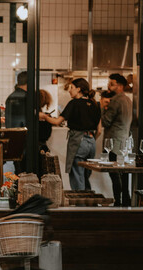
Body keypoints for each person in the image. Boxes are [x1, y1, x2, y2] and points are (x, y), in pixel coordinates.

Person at [43, 78, 101, 190]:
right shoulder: (95, 104)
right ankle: (88, 205)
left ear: (78, 89)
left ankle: (80, 206)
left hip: (78, 141)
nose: (70, 91)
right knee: (85, 176)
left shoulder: (74, 103)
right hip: (91, 142)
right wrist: (90, 139)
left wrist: (44, 116)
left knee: (77, 175)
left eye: (72, 88)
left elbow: (57, 121)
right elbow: (99, 130)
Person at [102, 73, 133, 206]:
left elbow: (105, 122)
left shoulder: (115, 100)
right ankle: (126, 200)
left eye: (112, 84)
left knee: (114, 173)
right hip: (125, 142)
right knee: (124, 173)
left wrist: (103, 107)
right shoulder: (127, 100)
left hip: (114, 142)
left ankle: (118, 202)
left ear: (120, 86)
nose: (109, 86)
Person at [5, 71, 28, 174]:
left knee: (18, 172)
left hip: (13, 141)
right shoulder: (26, 98)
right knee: (26, 175)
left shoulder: (10, 98)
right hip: (25, 143)